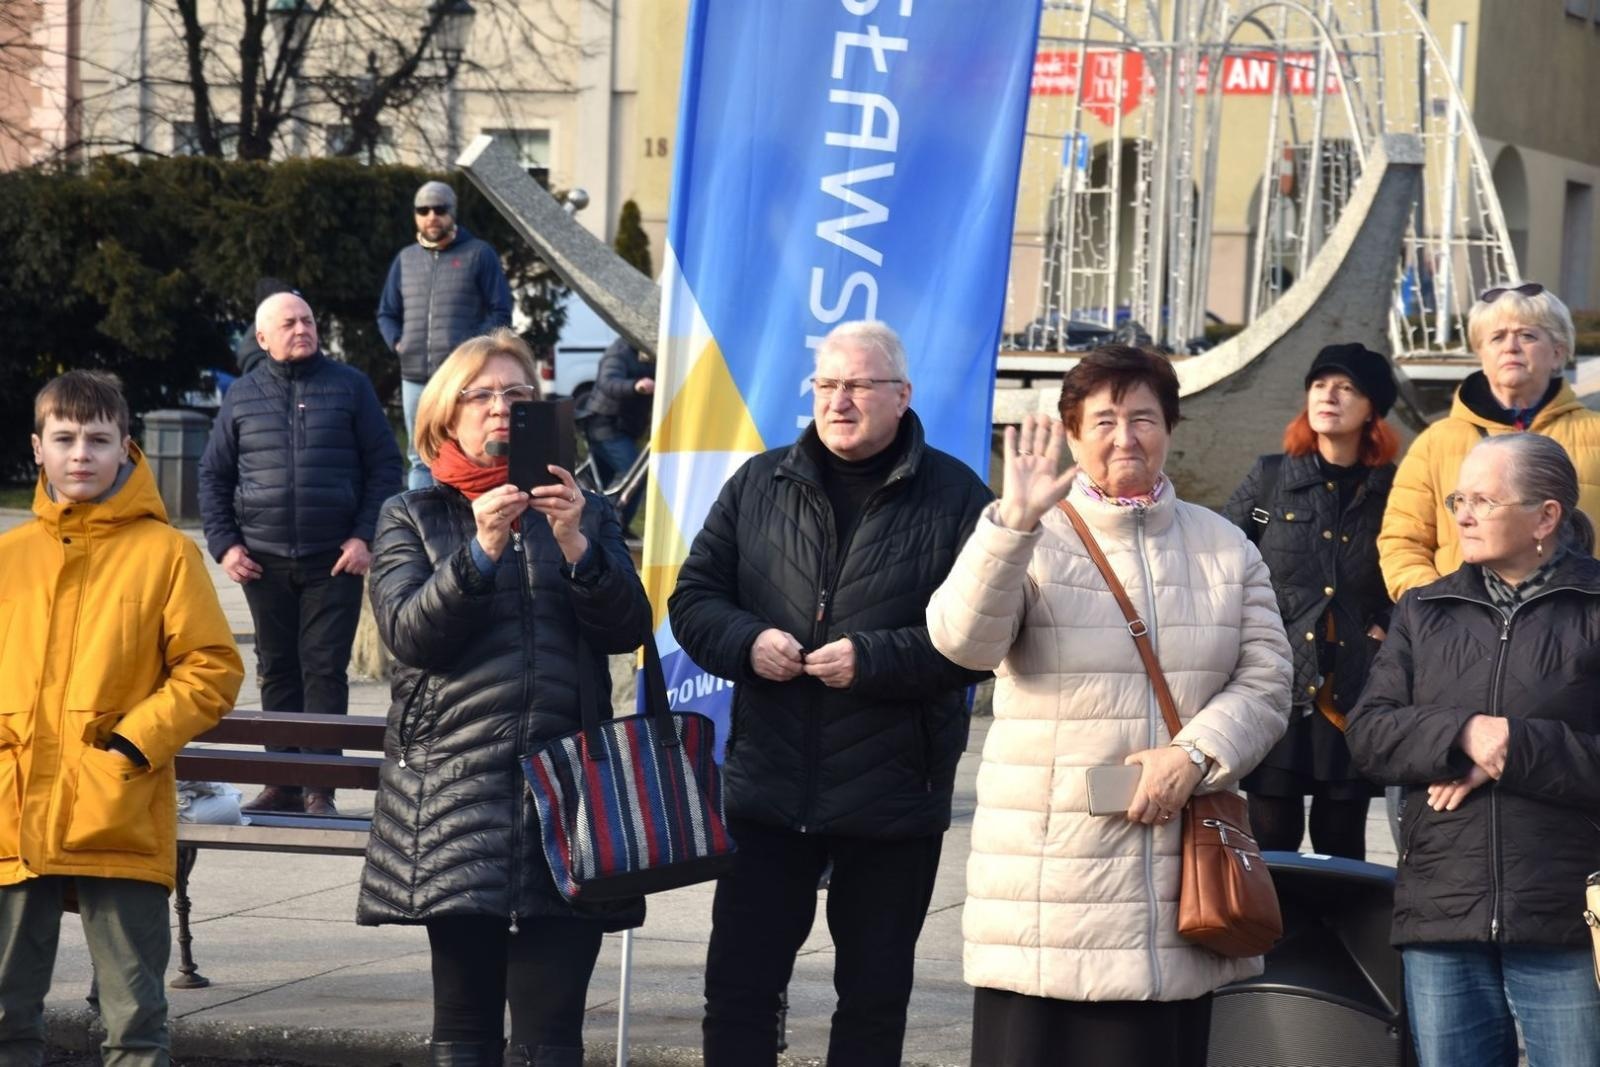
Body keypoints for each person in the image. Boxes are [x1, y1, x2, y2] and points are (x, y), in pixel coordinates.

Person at [925, 345, 1292, 1067]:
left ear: (1171, 427)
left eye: (1143, 418)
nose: (1125, 436)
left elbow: (1268, 679)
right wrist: (1011, 528)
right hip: (1046, 884)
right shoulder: (1030, 534)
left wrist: (1193, 755)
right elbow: (962, 644)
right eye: (1104, 419)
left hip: (1174, 887)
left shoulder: (1224, 546)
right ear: (1071, 433)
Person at [667, 320, 993, 1067]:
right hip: (767, 790)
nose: (838, 400)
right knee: (740, 990)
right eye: (825, 383)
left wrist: (874, 660)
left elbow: (982, 641)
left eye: (857, 384)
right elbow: (694, 599)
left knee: (874, 1003)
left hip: (891, 797)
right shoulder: (760, 481)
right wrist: (747, 642)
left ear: (902, 395)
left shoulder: (957, 497)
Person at [356, 328, 651, 1067]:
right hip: (455, 800)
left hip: (569, 799)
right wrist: (481, 550)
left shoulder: (589, 512)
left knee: (552, 1040)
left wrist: (577, 541)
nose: (498, 408)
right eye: (479, 395)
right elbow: (410, 635)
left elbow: (628, 628)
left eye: (516, 395)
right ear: (445, 417)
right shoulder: (411, 516)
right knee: (464, 1032)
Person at [0, 371, 243, 1065]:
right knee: (5, 1011)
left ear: (125, 448)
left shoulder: (165, 554)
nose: (81, 453)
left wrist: (132, 744)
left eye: (98, 439)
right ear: (37, 448)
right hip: (13, 811)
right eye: (65, 438)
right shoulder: (9, 558)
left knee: (134, 1018)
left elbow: (212, 668)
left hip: (118, 808)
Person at [1346, 432, 1600, 1067]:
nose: (1462, 514)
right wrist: (1462, 734)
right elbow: (1369, 735)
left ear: (1546, 516)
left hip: (1568, 916)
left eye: (1485, 500)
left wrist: (1515, 746)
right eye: (1459, 497)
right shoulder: (1424, 609)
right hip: (1441, 911)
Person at [199, 292, 403, 817]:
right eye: (288, 323)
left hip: (333, 558)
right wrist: (225, 545)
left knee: (323, 668)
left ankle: (320, 785)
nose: (302, 328)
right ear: (263, 338)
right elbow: (214, 477)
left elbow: (385, 467)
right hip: (262, 562)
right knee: (277, 669)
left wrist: (365, 538)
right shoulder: (242, 396)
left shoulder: (350, 387)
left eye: (308, 319)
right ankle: (280, 780)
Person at [1220, 343, 1400, 860]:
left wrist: (1387, 623)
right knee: (1270, 841)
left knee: (1342, 840)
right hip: (1278, 680)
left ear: (1373, 409)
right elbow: (1222, 561)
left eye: (1347, 387)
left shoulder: (1393, 488)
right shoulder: (1271, 476)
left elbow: (1415, 565)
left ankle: (1335, 941)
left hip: (1354, 685)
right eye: (1321, 384)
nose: (1330, 396)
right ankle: (1273, 942)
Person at [1379, 282, 1600, 600]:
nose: (1511, 346)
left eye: (1527, 335)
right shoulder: (1435, 443)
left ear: (1558, 353)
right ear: (1481, 354)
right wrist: (1440, 609)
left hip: (1580, 631)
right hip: (1460, 636)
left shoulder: (1595, 434)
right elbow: (1402, 542)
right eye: (1497, 337)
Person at [377, 179, 514, 490]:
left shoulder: (480, 254)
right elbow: (386, 311)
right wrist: (399, 343)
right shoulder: (406, 259)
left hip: (462, 378)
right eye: (423, 210)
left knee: (465, 451)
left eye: (439, 209)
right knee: (418, 455)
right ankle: (421, 530)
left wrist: (470, 353)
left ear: (453, 212)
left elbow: (500, 312)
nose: (431, 216)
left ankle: (466, 523)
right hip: (414, 375)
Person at [575, 337, 653, 528]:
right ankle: (618, 527)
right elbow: (608, 382)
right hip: (605, 426)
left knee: (598, 485)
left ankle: (601, 526)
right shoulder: (619, 353)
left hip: (622, 427)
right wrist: (636, 386)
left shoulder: (648, 353)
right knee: (633, 475)